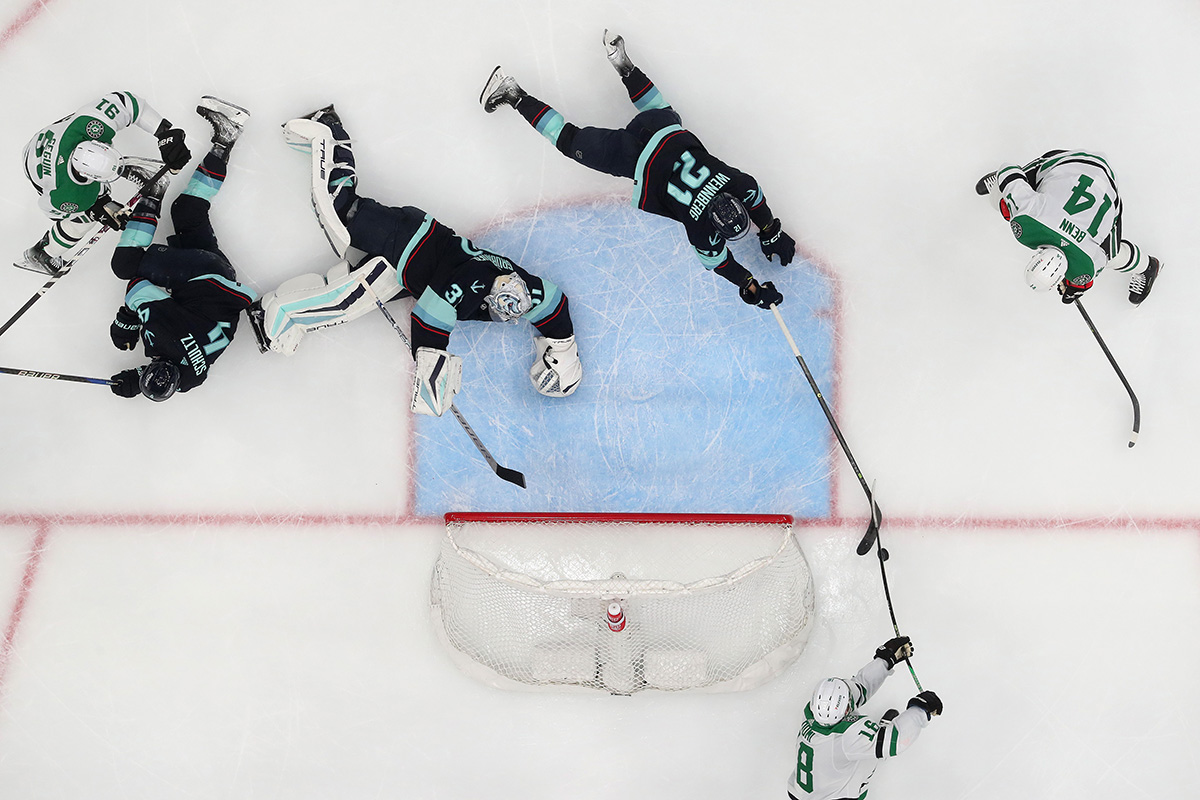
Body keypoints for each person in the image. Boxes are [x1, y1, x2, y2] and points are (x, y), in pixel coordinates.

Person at [248, 106, 581, 417]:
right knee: (337, 209)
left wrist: (563, 343)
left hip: (407, 269)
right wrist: (432, 366)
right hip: (406, 240)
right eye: (547, 369)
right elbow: (430, 314)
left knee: (348, 299)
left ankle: (276, 312)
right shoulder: (476, 281)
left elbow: (554, 303)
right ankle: (329, 130)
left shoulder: (524, 296)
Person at [480, 30, 797, 312]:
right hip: (635, 157)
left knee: (660, 109)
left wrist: (770, 230)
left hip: (666, 130)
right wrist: (751, 285)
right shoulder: (702, 229)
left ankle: (622, 63)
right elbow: (722, 263)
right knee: (570, 140)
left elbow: (756, 199)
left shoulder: (739, 184)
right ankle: (514, 94)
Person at [107, 97, 257, 402]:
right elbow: (139, 289)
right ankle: (152, 188)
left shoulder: (192, 379)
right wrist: (126, 322)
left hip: (218, 282)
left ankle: (226, 138)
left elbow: (176, 368)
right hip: (202, 278)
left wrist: (139, 383)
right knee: (126, 264)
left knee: (188, 211)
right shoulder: (166, 339)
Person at [19, 90, 192, 275]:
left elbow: (127, 103)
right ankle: (44, 253)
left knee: (89, 202)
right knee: (84, 220)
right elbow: (49, 209)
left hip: (48, 141)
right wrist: (93, 208)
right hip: (38, 171)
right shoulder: (68, 195)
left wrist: (165, 133)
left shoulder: (88, 125)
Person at [976, 150, 1161, 305]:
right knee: (1005, 203)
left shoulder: (1088, 266)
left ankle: (1149, 266)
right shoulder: (1028, 220)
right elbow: (1008, 169)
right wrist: (1009, 186)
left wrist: (1076, 285)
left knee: (1110, 256)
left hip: (1100, 185)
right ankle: (1002, 187)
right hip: (1077, 167)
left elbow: (1085, 279)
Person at [788, 636, 941, 800]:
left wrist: (885, 660)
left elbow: (859, 687)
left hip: (798, 792)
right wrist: (920, 709)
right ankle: (877, 735)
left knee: (856, 754)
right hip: (832, 797)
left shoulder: (811, 712)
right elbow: (895, 741)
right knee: (869, 761)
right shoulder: (847, 736)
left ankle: (875, 737)